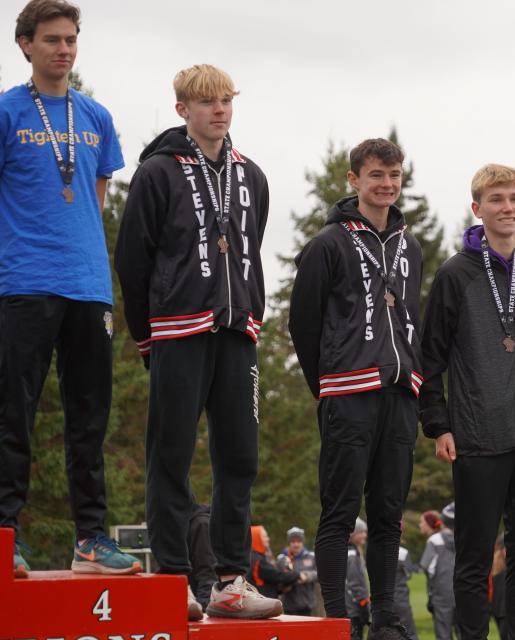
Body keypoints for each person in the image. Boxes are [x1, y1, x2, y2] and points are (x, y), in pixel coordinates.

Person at [115, 63, 274, 621]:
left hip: (236, 333)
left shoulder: (252, 175)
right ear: (183, 109)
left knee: (240, 457)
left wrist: (252, 311)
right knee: (172, 456)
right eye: (206, 102)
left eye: (226, 100)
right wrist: (146, 336)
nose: (219, 110)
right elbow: (133, 260)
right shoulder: (158, 173)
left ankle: (231, 579)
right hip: (179, 332)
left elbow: (250, 250)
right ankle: (174, 576)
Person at [1, 0, 141, 579]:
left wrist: (80, 252)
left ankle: (90, 540)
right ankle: (5, 537)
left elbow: (98, 193)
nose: (64, 49)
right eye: (53, 39)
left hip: (87, 286)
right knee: (15, 413)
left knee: (90, 418)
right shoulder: (7, 112)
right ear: (26, 44)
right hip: (23, 282)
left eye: (71, 40)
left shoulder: (96, 116)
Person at [420, 163, 515, 640]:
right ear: (477, 207)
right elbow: (431, 357)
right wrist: (439, 424)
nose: (508, 208)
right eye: (498, 199)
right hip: (478, 436)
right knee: (475, 557)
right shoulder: (456, 274)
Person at [289, 137, 421, 640]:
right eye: (375, 176)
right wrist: (326, 386)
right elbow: (303, 323)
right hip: (348, 392)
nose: (386, 185)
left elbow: (413, 320)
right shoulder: (328, 244)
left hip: (399, 393)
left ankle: (387, 617)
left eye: (394, 177)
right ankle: (337, 617)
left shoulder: (412, 247)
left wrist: (414, 377)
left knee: (389, 514)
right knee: (340, 512)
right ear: (354, 180)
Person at [420, 507, 458, 640]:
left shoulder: (434, 540)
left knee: (443, 633)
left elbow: (425, 566)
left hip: (441, 593)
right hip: (462, 590)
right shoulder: (465, 538)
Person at [277, 526, 319, 616]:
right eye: (293, 542)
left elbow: (319, 574)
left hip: (308, 604)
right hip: (289, 605)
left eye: (299, 541)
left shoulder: (311, 556)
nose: (296, 544)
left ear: (302, 542)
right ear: (289, 543)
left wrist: (307, 576)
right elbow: (277, 578)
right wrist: (286, 584)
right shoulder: (282, 559)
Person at [249, 525, 300, 599]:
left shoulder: (253, 557)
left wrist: (279, 589)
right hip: (263, 604)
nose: (268, 539)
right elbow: (278, 576)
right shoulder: (258, 560)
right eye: (265, 536)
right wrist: (297, 574)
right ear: (257, 538)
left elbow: (267, 582)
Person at [188, 499, 217, 611]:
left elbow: (207, 569)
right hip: (195, 600)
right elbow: (207, 568)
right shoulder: (201, 523)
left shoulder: (199, 522)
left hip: (195, 600)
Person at [348, 519, 372, 640]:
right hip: (353, 608)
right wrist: (363, 604)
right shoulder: (352, 555)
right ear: (352, 534)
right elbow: (355, 583)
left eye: (365, 532)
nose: (365, 535)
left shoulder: (354, 551)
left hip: (351, 606)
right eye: (361, 532)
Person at [395, 527, 420, 639]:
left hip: (380, 597)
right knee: (407, 628)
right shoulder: (403, 553)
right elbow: (408, 574)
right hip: (400, 596)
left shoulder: (376, 551)